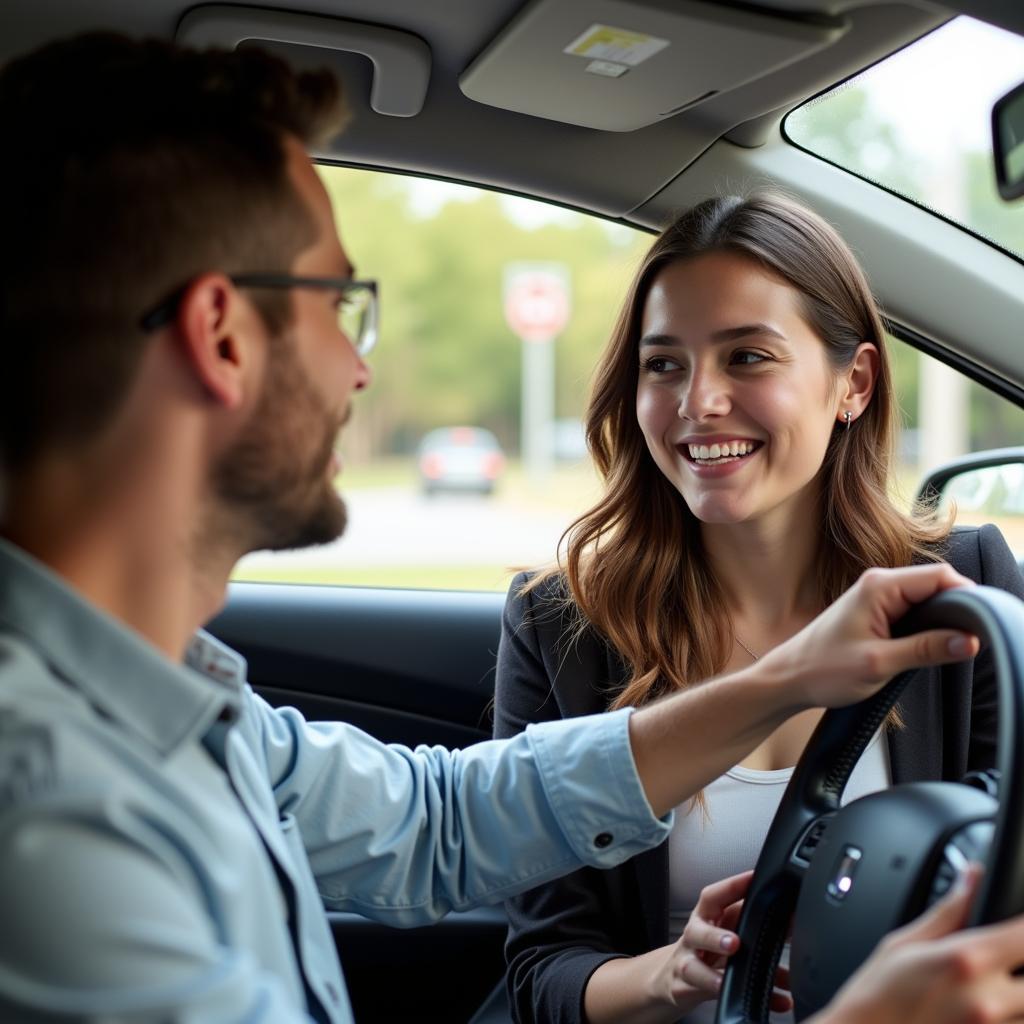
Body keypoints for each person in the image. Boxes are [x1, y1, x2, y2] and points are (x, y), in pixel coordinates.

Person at [0, 31, 1020, 1024]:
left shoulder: (175, 711)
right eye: (339, 304)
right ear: (221, 336)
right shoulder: (52, 820)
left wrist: (785, 677)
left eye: (746, 359)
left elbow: (439, 820)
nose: (360, 366)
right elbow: (535, 949)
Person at [493, 193, 1024, 1023]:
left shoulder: (961, 589)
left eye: (747, 357)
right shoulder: (563, 624)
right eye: (663, 363)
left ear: (852, 382)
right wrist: (668, 972)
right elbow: (541, 972)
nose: (698, 401)